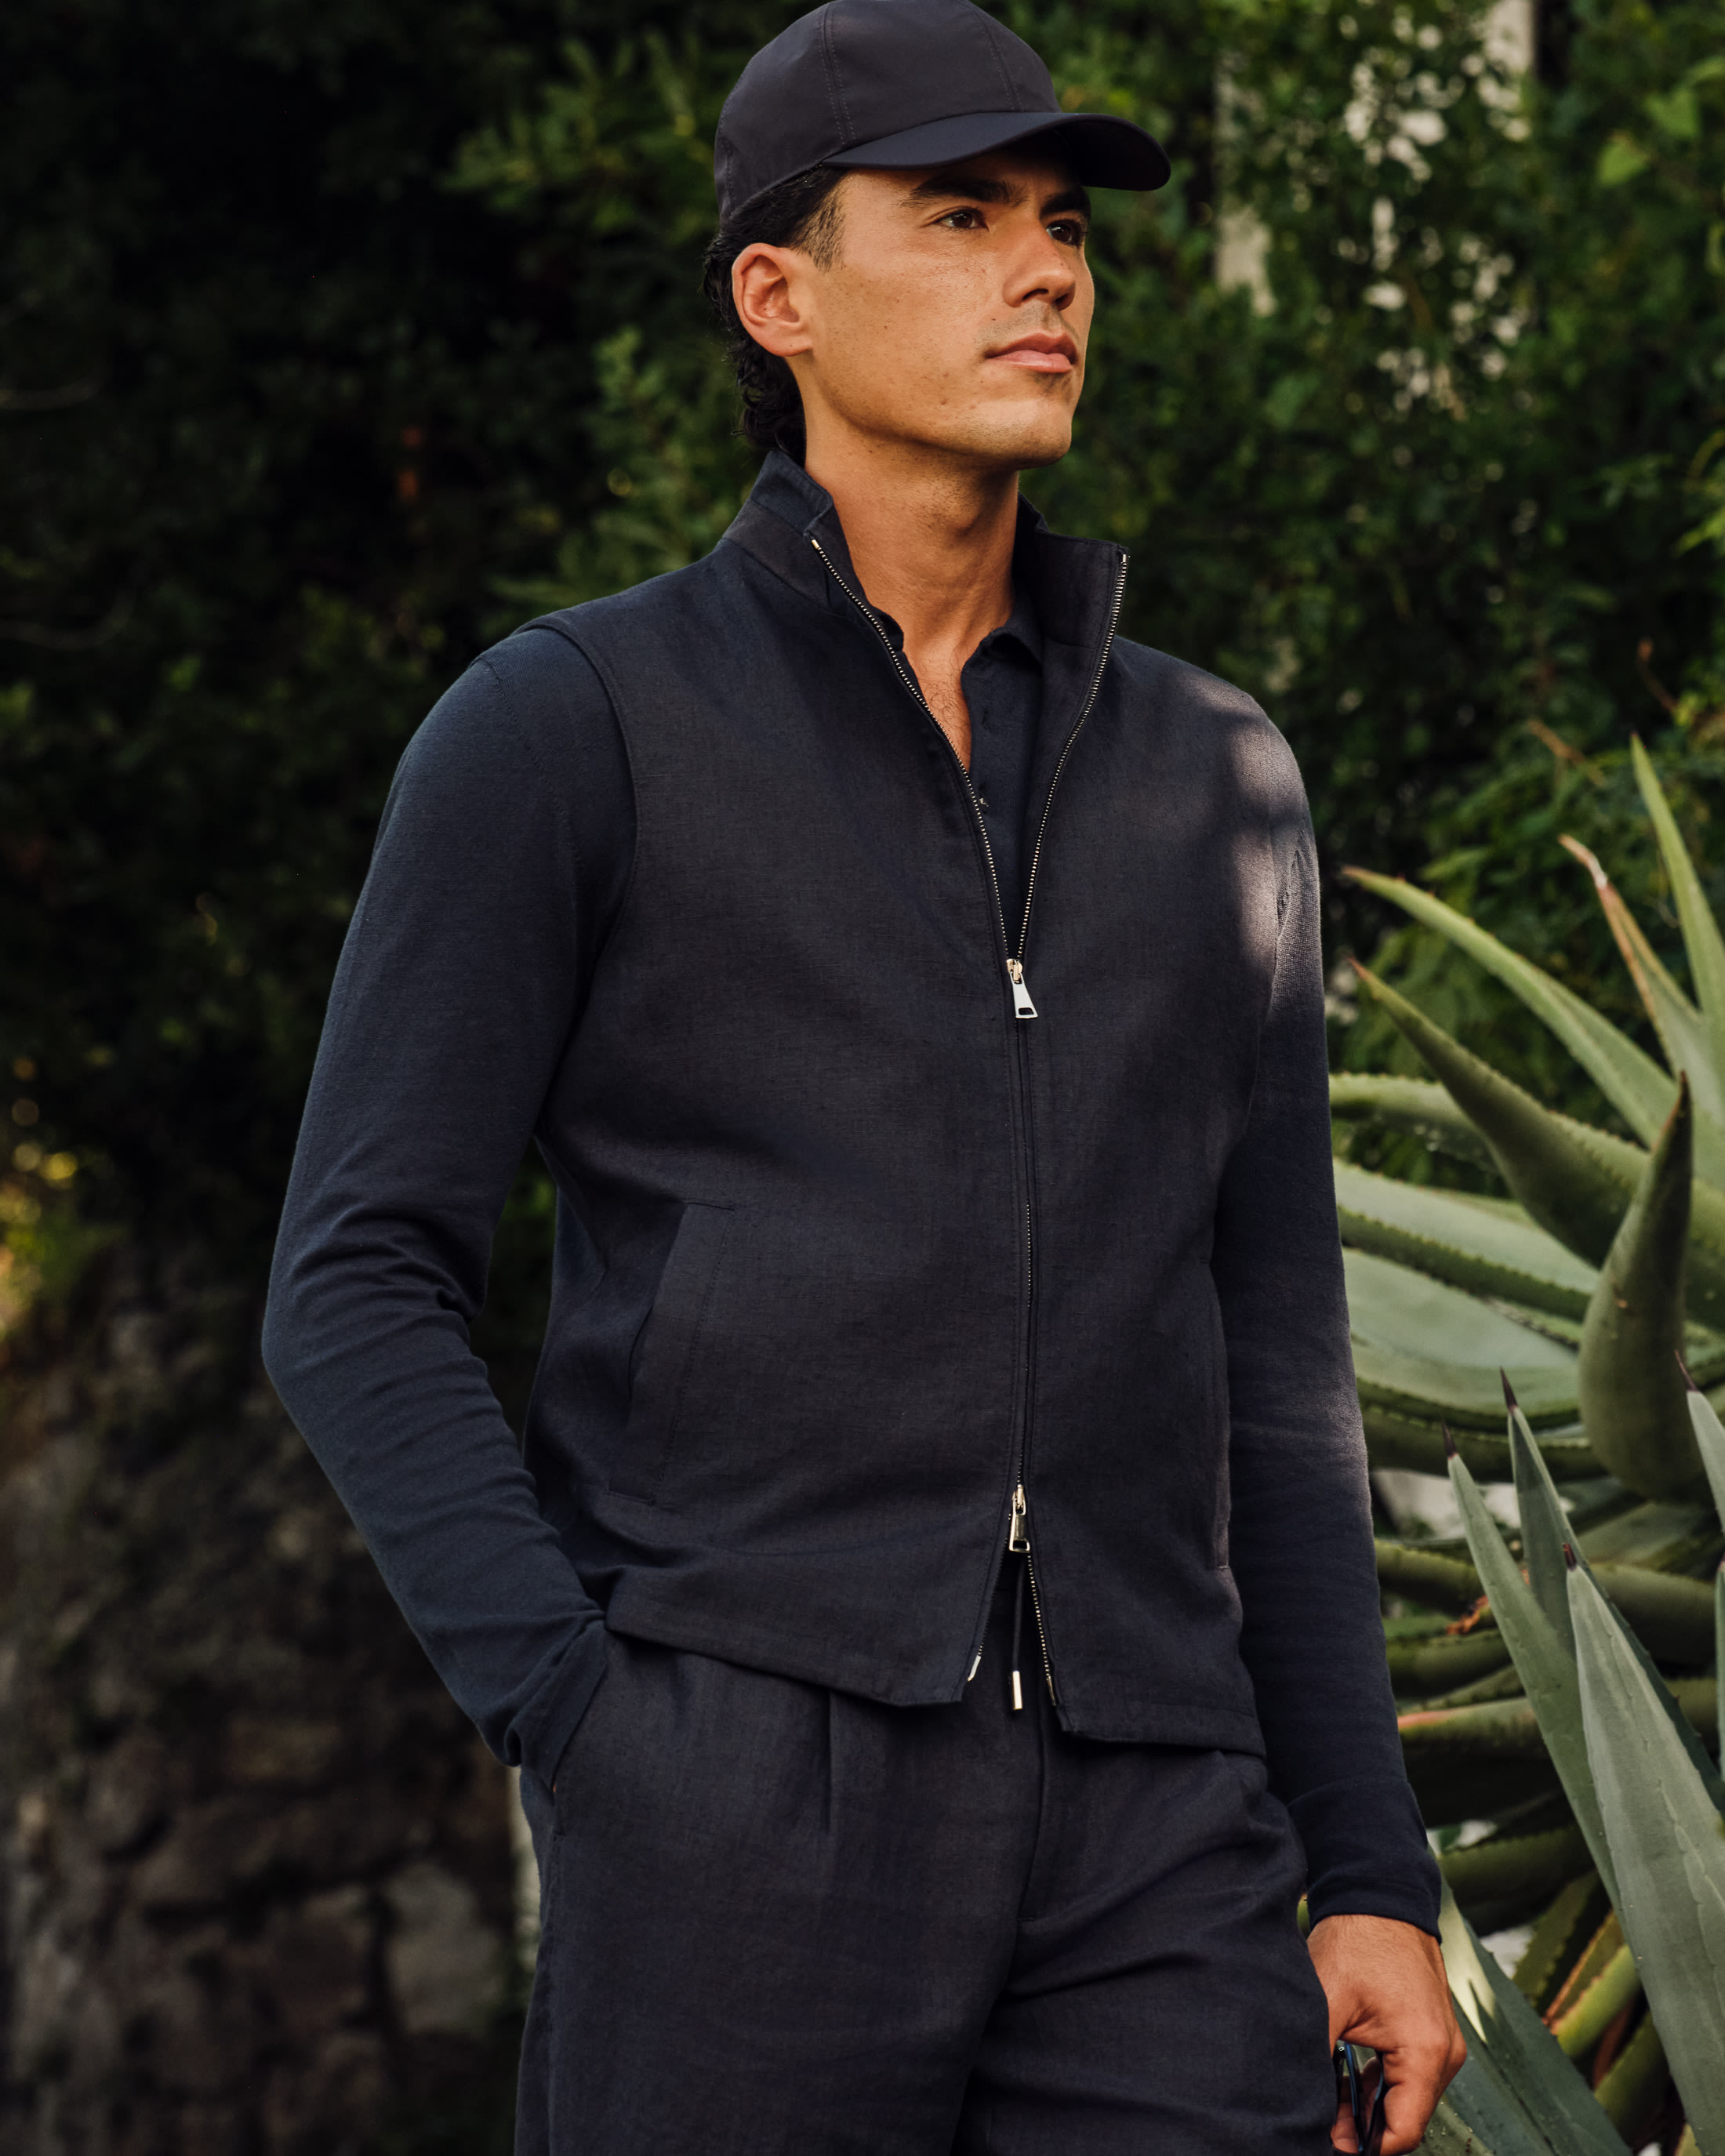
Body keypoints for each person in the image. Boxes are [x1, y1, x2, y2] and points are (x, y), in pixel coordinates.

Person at [263, 2, 1465, 2149]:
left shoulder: (1217, 776)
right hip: (745, 1803)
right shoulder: (572, 728)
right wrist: (586, 1722)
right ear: (778, 296)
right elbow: (355, 1276)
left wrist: (1366, 1867)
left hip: (1158, 1830)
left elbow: (1280, 1354)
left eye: (1065, 223)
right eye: (964, 216)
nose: (1049, 270)